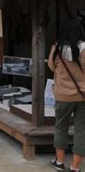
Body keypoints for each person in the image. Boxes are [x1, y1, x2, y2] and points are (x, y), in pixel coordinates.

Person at [47, 19, 85, 172]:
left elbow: (51, 66)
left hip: (62, 96)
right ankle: (75, 167)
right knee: (81, 130)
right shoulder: (84, 49)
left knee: (61, 128)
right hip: (83, 96)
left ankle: (59, 162)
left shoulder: (57, 48)